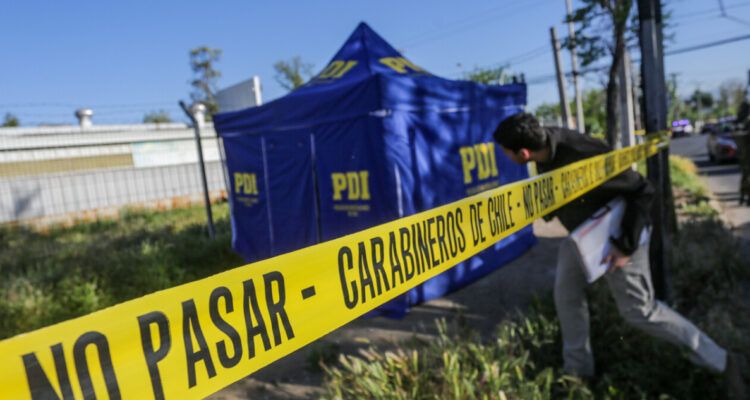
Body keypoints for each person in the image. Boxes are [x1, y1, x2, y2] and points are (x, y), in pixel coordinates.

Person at [492, 112, 747, 396]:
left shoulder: (581, 152)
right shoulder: (544, 150)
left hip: (620, 233)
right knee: (566, 294)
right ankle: (577, 374)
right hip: (584, 236)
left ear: (523, 152)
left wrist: (624, 246)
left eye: (506, 152)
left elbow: (642, 190)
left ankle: (725, 362)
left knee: (640, 311)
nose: (505, 156)